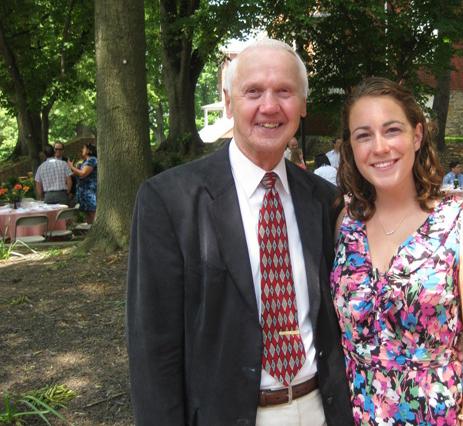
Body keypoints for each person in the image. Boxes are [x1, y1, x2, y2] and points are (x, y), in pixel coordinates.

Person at [127, 38, 352, 425]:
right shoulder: (169, 201)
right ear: (230, 104)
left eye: (284, 91)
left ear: (301, 106)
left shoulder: (324, 200)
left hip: (320, 408)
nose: (269, 106)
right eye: (253, 92)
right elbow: (153, 348)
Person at [332, 77, 463, 425]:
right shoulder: (345, 225)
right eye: (363, 135)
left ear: (416, 136)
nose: (379, 147)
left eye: (392, 130)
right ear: (351, 147)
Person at [67, 143, 97, 224]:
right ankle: (89, 231)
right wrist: (73, 168)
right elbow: (76, 174)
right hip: (83, 192)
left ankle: (93, 229)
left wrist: (72, 167)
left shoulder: (92, 159)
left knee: (92, 213)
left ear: (89, 150)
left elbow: (83, 174)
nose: (82, 150)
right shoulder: (85, 161)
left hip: (89, 192)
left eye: (84, 148)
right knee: (87, 213)